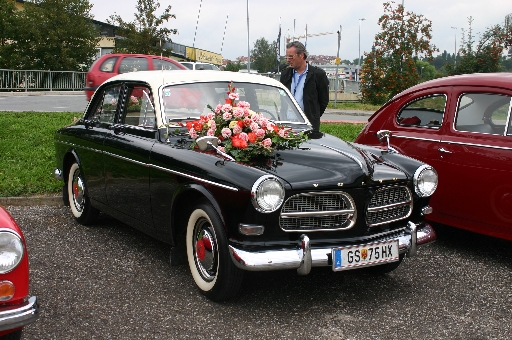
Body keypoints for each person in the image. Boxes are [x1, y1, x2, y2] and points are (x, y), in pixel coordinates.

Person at [280, 41, 329, 132]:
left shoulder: (318, 75)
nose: (288, 60)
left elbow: (323, 101)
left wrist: (313, 116)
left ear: (301, 55)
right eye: (287, 57)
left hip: (308, 126)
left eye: (291, 56)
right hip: (286, 124)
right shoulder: (285, 75)